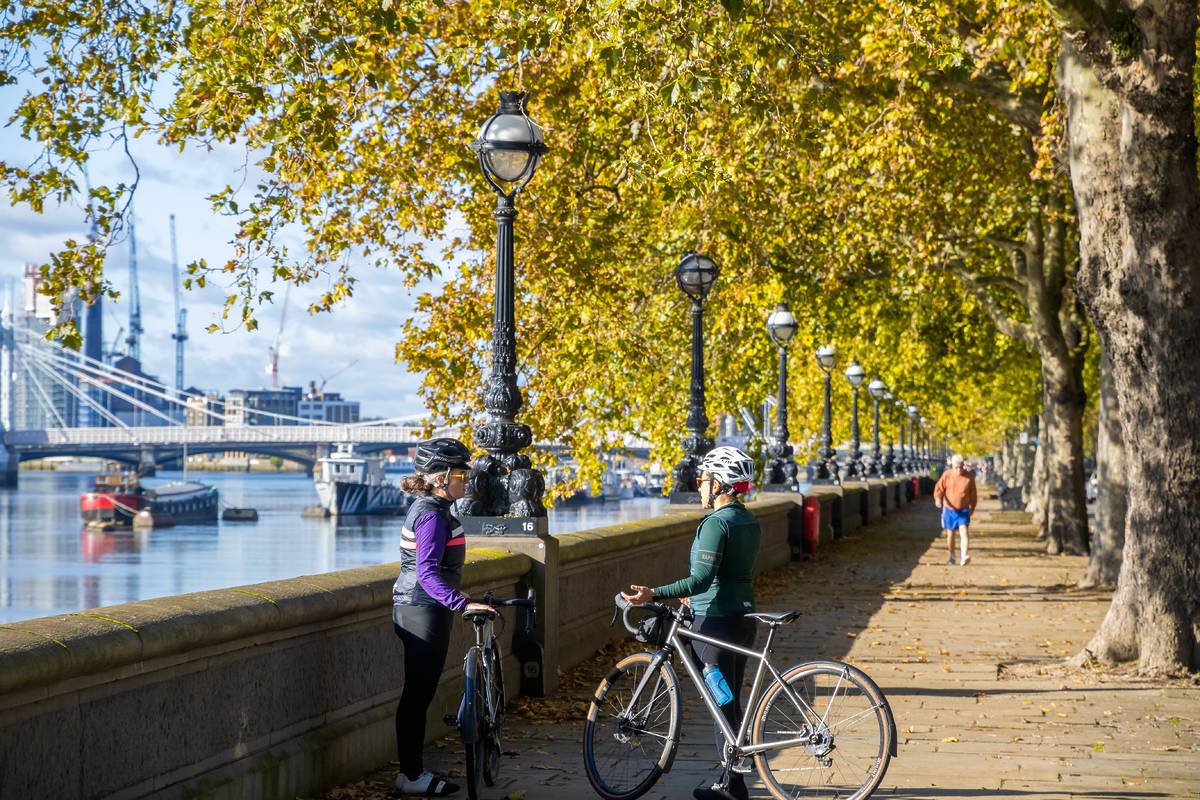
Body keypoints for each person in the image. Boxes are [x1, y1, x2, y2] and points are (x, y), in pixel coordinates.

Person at [622, 446, 760, 800]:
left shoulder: (717, 523)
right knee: (731, 702)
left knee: (720, 704)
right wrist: (696, 595)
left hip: (712, 627)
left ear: (718, 483)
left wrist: (654, 593)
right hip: (742, 620)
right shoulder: (748, 520)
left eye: (702, 480)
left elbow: (700, 579)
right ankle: (734, 782)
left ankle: (732, 787)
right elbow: (729, 574)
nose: (699, 486)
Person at [392, 438, 494, 796]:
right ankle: (411, 775)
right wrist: (460, 603)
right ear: (440, 478)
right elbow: (427, 573)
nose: (465, 481)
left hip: (420, 607)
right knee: (417, 695)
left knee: (419, 693)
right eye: (460, 475)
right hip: (422, 610)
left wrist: (456, 597)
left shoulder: (432, 508)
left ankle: (411, 771)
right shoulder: (432, 515)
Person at [934, 453, 978, 566]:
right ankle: (952, 556)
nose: (959, 469)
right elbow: (939, 489)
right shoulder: (947, 475)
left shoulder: (969, 477)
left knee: (964, 531)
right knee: (951, 534)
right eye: (956, 467)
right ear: (952, 466)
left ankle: (964, 556)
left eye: (961, 466)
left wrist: (972, 507)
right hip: (949, 509)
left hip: (963, 509)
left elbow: (973, 494)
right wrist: (938, 500)